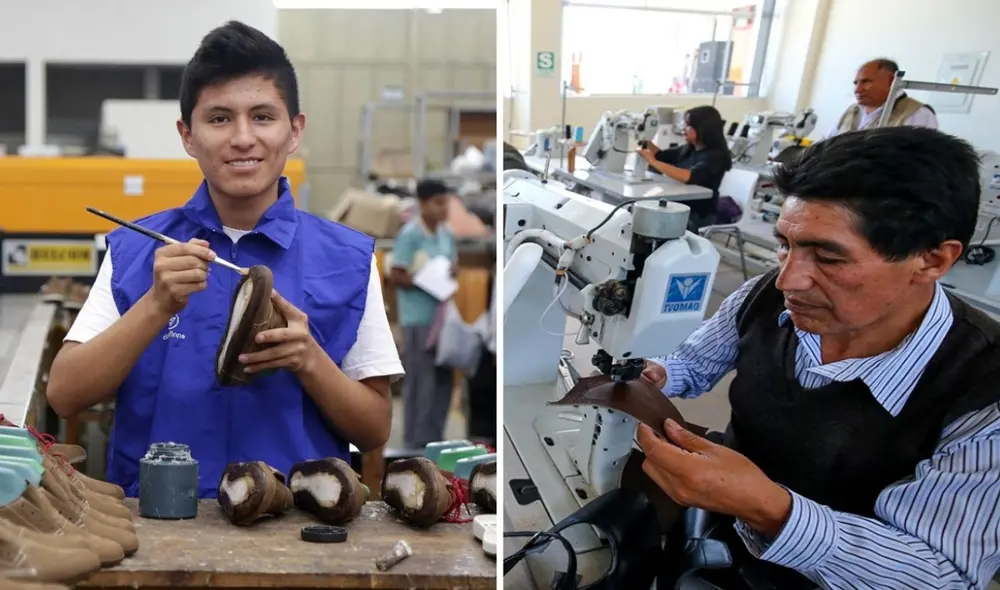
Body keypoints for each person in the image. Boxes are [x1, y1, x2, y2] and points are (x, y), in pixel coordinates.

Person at [46, 21, 403, 498]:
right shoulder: (138, 250)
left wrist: (309, 360)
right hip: (161, 525)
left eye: (262, 116)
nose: (241, 138)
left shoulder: (349, 259)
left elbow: (375, 429)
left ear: (294, 130)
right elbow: (65, 395)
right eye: (218, 119)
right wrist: (156, 305)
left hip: (298, 534)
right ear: (187, 136)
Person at [637, 127, 1000, 589]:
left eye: (828, 258)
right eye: (785, 244)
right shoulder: (765, 298)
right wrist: (658, 374)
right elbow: (694, 363)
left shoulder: (984, 394)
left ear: (932, 261)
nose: (789, 280)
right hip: (723, 540)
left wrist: (771, 509)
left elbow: (940, 575)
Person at [389, 179, 458, 449]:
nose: (443, 209)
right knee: (420, 380)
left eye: (446, 203)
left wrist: (451, 274)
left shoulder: (446, 234)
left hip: (441, 318)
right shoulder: (410, 235)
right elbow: (396, 275)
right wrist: (425, 280)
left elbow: (452, 264)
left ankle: (436, 438)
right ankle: (416, 440)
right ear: (422, 204)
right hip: (417, 318)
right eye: (438, 203)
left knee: (442, 380)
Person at [637, 105, 733, 231]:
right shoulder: (689, 149)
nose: (684, 128)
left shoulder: (716, 156)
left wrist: (653, 161)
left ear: (702, 128)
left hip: (698, 212)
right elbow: (661, 155)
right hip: (679, 204)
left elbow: (690, 176)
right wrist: (643, 136)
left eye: (688, 125)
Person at [827, 58, 937, 137]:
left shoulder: (917, 113)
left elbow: (921, 161)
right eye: (856, 83)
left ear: (891, 80)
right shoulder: (851, 112)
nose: (857, 90)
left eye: (866, 82)